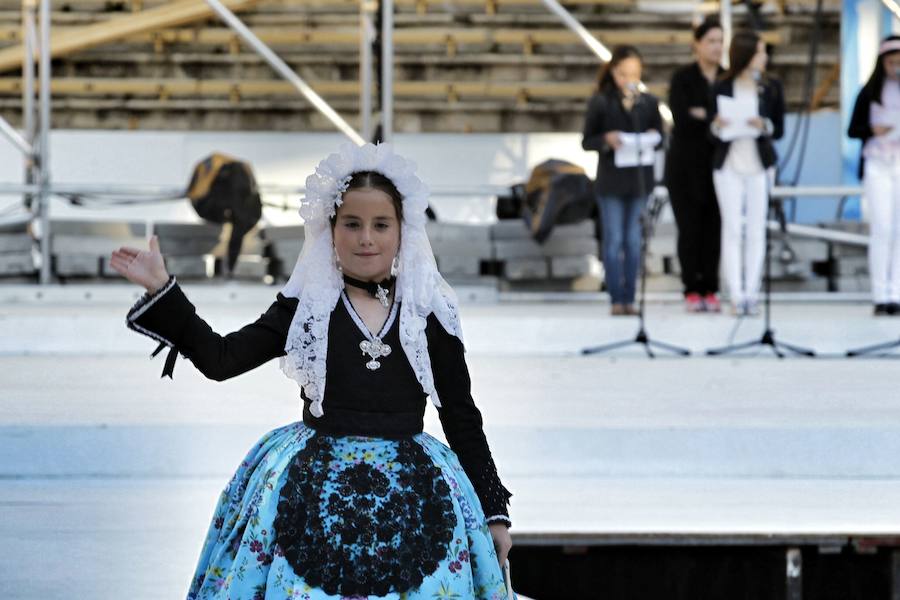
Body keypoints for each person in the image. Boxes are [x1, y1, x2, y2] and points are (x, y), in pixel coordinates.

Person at [110, 143, 514, 599]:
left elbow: (461, 414)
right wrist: (164, 290)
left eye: (381, 225)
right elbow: (221, 359)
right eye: (352, 224)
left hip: (418, 492)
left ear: (403, 231)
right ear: (330, 229)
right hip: (311, 487)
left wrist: (493, 511)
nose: (366, 238)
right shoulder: (308, 308)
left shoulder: (428, 312)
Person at [582, 45, 663, 316]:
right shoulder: (601, 101)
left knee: (633, 239)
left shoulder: (648, 102)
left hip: (638, 178)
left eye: (634, 74)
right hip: (612, 180)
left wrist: (653, 135)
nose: (628, 79)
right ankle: (616, 296)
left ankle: (631, 297)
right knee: (614, 239)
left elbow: (661, 137)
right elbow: (587, 140)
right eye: (623, 73)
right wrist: (607, 139)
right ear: (613, 72)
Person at [709, 30, 785, 316]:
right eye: (759, 52)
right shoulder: (721, 85)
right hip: (729, 162)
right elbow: (710, 131)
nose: (764, 57)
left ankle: (752, 292)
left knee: (756, 229)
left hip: (759, 164)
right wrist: (718, 124)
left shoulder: (770, 86)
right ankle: (735, 293)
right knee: (732, 228)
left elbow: (779, 126)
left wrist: (762, 124)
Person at [665, 16, 725, 313]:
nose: (716, 47)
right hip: (685, 165)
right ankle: (691, 287)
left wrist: (705, 115)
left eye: (720, 41)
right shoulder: (683, 78)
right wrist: (710, 118)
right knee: (689, 228)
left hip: (718, 163)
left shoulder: (727, 78)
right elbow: (682, 116)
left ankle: (711, 287)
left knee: (714, 227)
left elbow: (720, 118)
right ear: (697, 45)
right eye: (711, 41)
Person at [848, 35, 900, 316]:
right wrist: (873, 130)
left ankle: (897, 290)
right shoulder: (869, 92)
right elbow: (853, 129)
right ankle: (881, 293)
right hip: (878, 162)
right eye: (892, 62)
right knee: (882, 228)